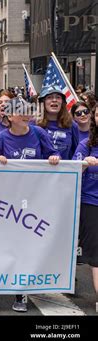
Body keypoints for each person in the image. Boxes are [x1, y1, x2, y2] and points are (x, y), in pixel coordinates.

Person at [0, 98, 60, 312]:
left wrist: (54, 159)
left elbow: (53, 154)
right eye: (19, 111)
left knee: (28, 243)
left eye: (27, 110)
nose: (25, 114)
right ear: (9, 117)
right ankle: (11, 284)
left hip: (34, 198)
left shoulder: (39, 134)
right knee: (11, 244)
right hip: (9, 200)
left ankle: (22, 291)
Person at [72, 104, 98, 307]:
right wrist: (83, 165)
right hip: (92, 203)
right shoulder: (86, 144)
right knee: (96, 255)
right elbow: (72, 173)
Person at [35, 85, 79, 160]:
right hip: (40, 170)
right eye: (49, 97)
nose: (54, 100)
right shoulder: (33, 124)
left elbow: (77, 152)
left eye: (58, 97)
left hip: (64, 170)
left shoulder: (71, 125)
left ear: (63, 102)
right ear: (42, 102)